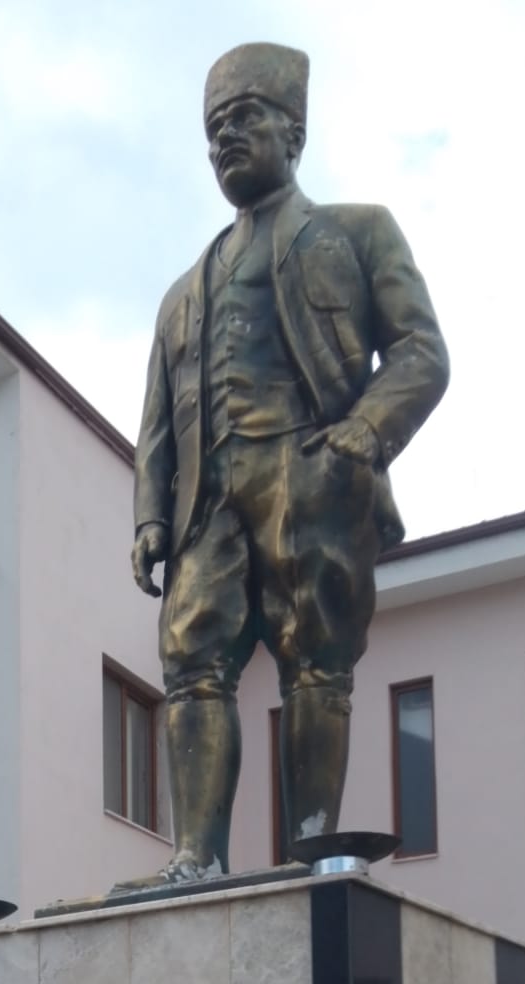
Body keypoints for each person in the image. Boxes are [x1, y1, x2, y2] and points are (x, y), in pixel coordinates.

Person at [130, 41, 449, 884]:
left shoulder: (357, 232)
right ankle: (197, 856)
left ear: (292, 132)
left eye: (243, 120)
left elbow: (422, 352)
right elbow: (157, 422)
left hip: (308, 474)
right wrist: (151, 517)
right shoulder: (181, 293)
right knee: (192, 664)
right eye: (212, 131)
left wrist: (366, 432)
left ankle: (313, 841)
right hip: (208, 497)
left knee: (317, 661)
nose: (225, 140)